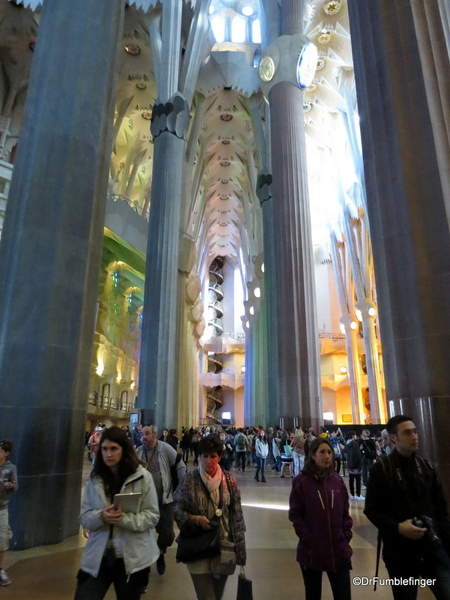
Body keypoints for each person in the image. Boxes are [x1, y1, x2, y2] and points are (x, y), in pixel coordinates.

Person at [364, 415, 450, 600]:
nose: (414, 437)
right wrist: (398, 527)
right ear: (394, 437)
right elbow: (371, 510)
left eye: (415, 432)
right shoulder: (381, 469)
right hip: (400, 554)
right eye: (407, 433)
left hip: (432, 548)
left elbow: (441, 508)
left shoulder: (426, 467)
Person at [74, 426, 160, 600]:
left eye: (114, 449)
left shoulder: (142, 478)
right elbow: (84, 516)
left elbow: (152, 515)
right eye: (105, 449)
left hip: (131, 558)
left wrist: (123, 519)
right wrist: (101, 517)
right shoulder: (95, 478)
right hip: (99, 555)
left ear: (124, 450)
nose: (108, 454)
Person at [173, 435, 246, 600]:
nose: (208, 461)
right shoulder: (189, 480)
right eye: (204, 456)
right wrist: (194, 519)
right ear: (199, 457)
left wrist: (240, 552)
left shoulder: (229, 481)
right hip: (197, 546)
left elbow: (237, 518)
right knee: (206, 597)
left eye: (213, 456)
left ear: (219, 457)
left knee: (217, 596)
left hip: (223, 547)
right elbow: (176, 508)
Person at [289, 437, 353, 600]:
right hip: (312, 552)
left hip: (339, 550)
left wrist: (346, 534)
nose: (327, 456)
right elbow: (295, 514)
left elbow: (345, 509)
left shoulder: (337, 481)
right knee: (313, 595)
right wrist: (307, 537)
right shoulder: (301, 482)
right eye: (322, 452)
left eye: (329, 452)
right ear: (312, 455)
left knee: (343, 594)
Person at [136, 424, 185, 575]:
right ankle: (143, 571)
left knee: (168, 533)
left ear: (154, 435)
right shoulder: (137, 451)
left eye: (147, 434)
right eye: (142, 434)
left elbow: (180, 465)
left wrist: (182, 489)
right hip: (143, 502)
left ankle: (160, 552)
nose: (143, 437)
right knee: (142, 535)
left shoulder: (165, 448)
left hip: (164, 500)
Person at [0, 441, 18, 587]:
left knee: (2, 539)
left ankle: (0, 570)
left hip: (2, 509)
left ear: (6, 453)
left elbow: (15, 485)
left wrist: (11, 486)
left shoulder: (11, 468)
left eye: (0, 450)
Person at [345, 431, 364, 501]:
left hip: (350, 464)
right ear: (353, 436)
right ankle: (358, 495)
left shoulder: (347, 443)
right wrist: (360, 465)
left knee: (351, 480)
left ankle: (352, 494)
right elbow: (357, 454)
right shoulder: (355, 443)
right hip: (356, 464)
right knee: (358, 480)